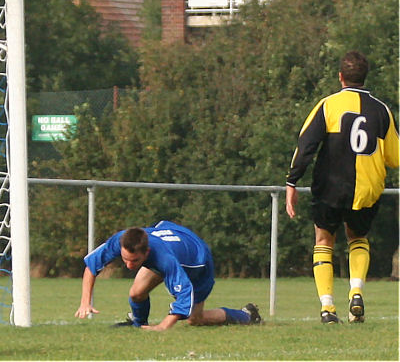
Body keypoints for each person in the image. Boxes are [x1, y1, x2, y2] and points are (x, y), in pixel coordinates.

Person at [286, 50, 399, 324]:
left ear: (340, 77)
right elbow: (395, 158)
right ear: (365, 77)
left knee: (324, 240)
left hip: (330, 187)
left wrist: (292, 181)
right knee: (357, 238)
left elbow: (306, 145)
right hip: (367, 188)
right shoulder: (381, 110)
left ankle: (327, 308)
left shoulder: (328, 105)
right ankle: (356, 292)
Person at [75, 220, 261, 331]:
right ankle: (139, 325)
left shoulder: (165, 259)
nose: (129, 265)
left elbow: (184, 295)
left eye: (135, 261)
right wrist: (85, 302)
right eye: (125, 259)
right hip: (174, 243)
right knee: (136, 293)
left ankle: (247, 315)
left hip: (196, 261)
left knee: (195, 319)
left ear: (146, 253)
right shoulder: (119, 240)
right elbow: (91, 267)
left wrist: (163, 326)